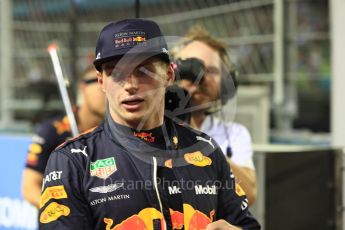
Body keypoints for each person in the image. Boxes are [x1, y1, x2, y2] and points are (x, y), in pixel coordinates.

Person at [39, 18, 260, 229]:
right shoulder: (72, 160)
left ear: (169, 75)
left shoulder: (206, 149)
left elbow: (246, 223)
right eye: (116, 73)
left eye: (143, 70)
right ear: (101, 82)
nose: (130, 85)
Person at [174, 25, 257, 205]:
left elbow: (249, 195)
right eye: (192, 68)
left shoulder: (234, 133)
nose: (201, 78)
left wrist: (200, 142)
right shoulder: (151, 126)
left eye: (211, 71)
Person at [21, 64, 105, 208]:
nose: (107, 93)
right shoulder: (53, 131)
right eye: (100, 84)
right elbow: (29, 188)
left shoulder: (117, 132)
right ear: (83, 87)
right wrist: (63, 211)